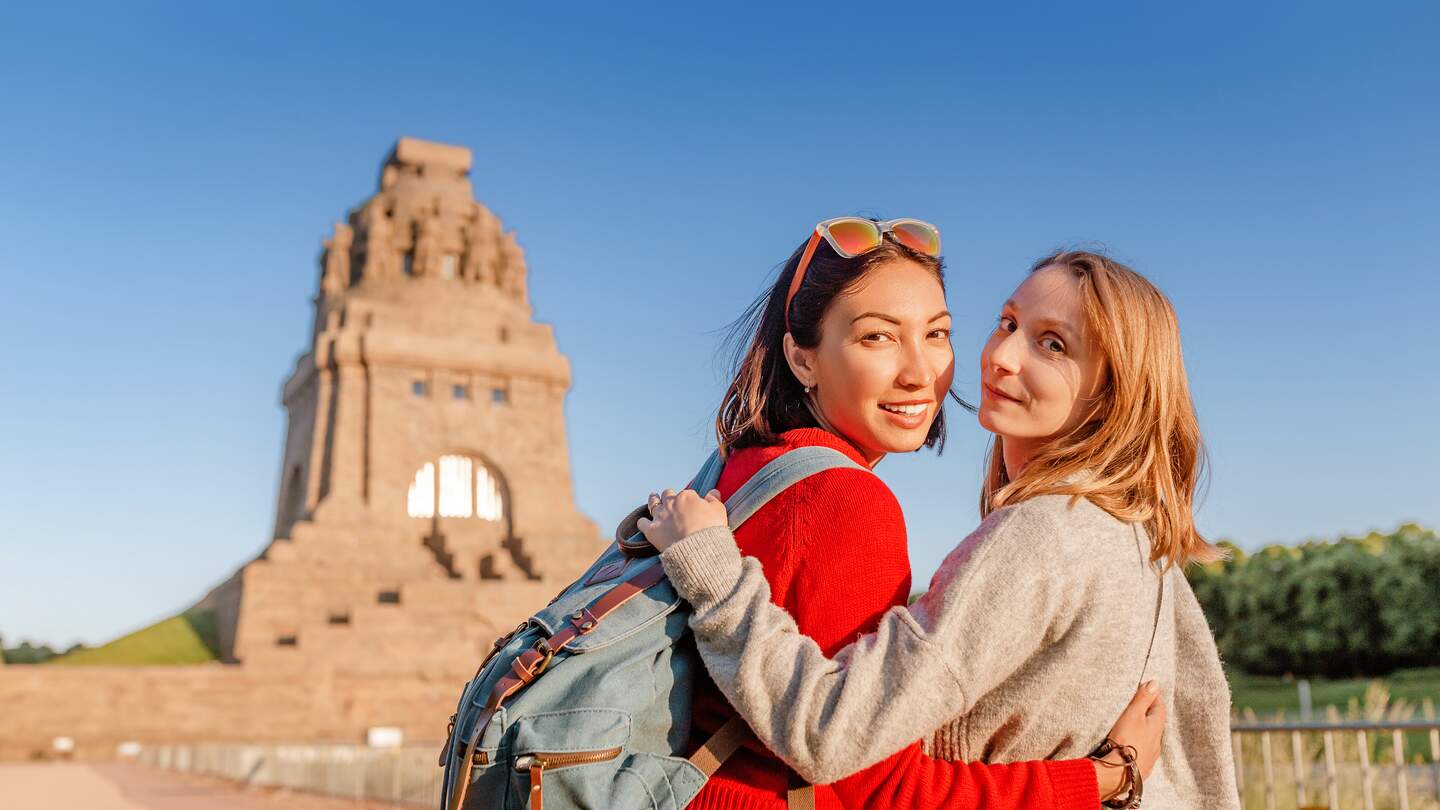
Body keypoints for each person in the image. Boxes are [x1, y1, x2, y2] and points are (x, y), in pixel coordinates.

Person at [642, 250, 1240, 809]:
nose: (1000, 357)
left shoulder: (1040, 536)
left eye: (1052, 344)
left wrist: (716, 581)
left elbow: (845, 752)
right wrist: (1106, 776)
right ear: (802, 356)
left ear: (1116, 394)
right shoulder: (1140, 542)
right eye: (1008, 323)